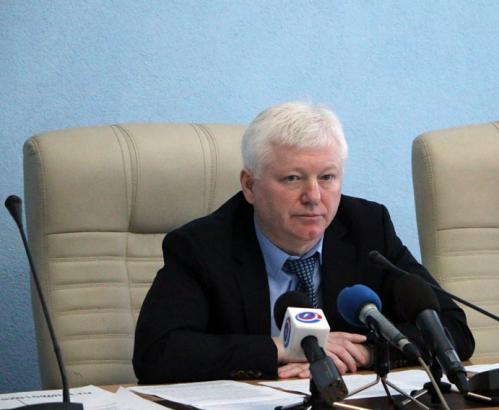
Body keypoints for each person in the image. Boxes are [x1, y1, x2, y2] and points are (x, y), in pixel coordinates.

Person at [133, 101, 474, 383]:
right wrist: (283, 348)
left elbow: (451, 329)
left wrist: (366, 352)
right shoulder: (202, 246)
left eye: (327, 177)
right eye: (293, 178)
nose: (313, 196)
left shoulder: (368, 229)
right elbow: (158, 353)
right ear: (250, 185)